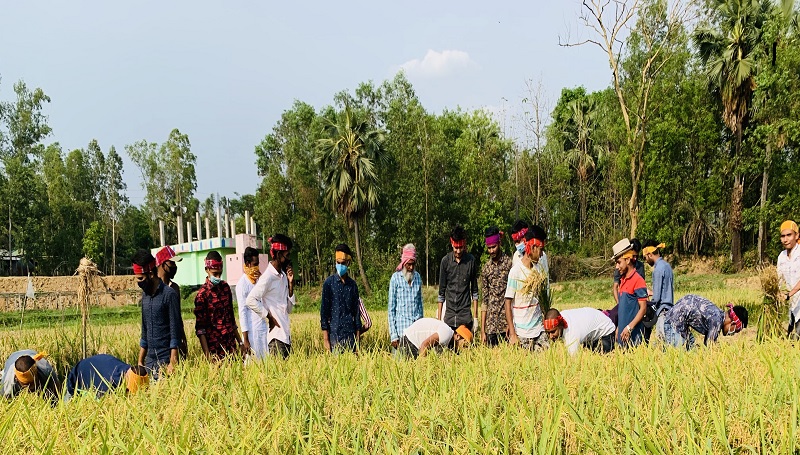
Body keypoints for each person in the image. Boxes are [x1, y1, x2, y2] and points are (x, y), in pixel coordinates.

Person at [134, 249, 183, 377]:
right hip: (149, 362)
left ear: (150, 274)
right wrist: (140, 361)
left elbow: (175, 330)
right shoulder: (145, 297)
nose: (139, 282)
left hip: (166, 361)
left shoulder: (169, 294)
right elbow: (145, 332)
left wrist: (173, 362)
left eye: (140, 278)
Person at [245, 235, 295, 359]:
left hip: (285, 336)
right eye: (287, 255)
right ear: (278, 255)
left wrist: (290, 285)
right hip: (276, 339)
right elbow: (250, 300)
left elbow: (289, 309)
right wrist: (269, 317)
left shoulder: (282, 276)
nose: (288, 259)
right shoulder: (268, 277)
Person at [504, 226, 549, 351]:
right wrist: (513, 334)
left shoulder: (538, 270)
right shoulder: (516, 272)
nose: (541, 255)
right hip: (522, 333)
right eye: (540, 250)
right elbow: (507, 303)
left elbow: (543, 298)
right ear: (533, 247)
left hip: (539, 330)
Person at [194, 250, 245, 360]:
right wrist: (208, 356)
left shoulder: (225, 287)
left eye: (219, 273)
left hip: (231, 347)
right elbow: (200, 329)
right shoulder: (202, 295)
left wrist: (240, 343)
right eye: (214, 274)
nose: (217, 277)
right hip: (215, 351)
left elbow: (231, 320)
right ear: (207, 270)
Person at [656, 294, 748, 348]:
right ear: (732, 322)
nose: (732, 333)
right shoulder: (716, 321)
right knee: (675, 350)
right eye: (735, 330)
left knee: (691, 345)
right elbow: (710, 346)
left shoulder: (717, 313)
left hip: (678, 320)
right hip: (675, 322)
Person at [321, 244, 363, 353]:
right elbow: (324, 312)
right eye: (338, 263)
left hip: (350, 337)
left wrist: (357, 340)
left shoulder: (353, 285)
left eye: (343, 263)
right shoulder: (329, 284)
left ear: (348, 263)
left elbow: (356, 313)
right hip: (334, 337)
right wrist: (326, 340)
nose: (340, 266)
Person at [437, 226, 479, 332]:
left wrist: (476, 317)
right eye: (456, 248)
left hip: (465, 317)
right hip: (449, 318)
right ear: (452, 244)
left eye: (461, 248)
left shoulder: (471, 261)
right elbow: (441, 293)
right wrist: (438, 321)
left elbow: (474, 291)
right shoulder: (445, 262)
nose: (458, 251)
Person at [611, 238, 648, 348]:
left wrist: (629, 328)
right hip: (622, 336)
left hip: (633, 337)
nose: (617, 267)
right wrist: (619, 327)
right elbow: (623, 308)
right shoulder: (622, 280)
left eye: (618, 263)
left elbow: (643, 309)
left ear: (627, 260)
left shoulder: (638, 280)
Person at [63, 354, 148, 402]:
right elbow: (101, 405)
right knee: (67, 409)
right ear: (127, 378)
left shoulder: (128, 369)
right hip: (78, 375)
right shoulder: (107, 383)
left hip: (95, 366)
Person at [480, 226, 512, 346]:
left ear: (499, 243)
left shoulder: (509, 264)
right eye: (489, 248)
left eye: (494, 247)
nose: (492, 251)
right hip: (491, 326)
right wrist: (483, 330)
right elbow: (485, 300)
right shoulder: (486, 269)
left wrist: (511, 324)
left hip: (506, 324)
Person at [154, 245, 188, 358]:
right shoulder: (153, 288)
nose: (175, 267)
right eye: (172, 263)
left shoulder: (175, 288)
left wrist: (182, 337)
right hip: (159, 342)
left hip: (174, 340)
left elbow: (177, 317)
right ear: (164, 265)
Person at [388, 244, 424, 351]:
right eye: (408, 264)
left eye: (413, 264)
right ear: (404, 263)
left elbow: (420, 306)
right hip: (401, 333)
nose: (411, 267)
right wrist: (393, 335)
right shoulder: (395, 278)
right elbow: (391, 309)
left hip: (415, 333)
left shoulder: (417, 277)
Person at [542, 308, 616, 355]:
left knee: (601, 358)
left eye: (553, 332)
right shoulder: (561, 317)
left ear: (561, 325)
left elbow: (573, 362)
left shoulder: (572, 334)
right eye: (548, 333)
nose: (550, 336)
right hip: (590, 334)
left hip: (606, 330)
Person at [237, 247, 268, 359]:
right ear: (248, 264)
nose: (257, 267)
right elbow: (242, 311)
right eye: (255, 264)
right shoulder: (242, 284)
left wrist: (262, 280)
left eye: (258, 264)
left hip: (263, 328)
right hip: (251, 332)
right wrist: (245, 339)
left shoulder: (260, 280)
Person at [397, 318, 472, 359]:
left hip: (412, 342)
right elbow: (424, 345)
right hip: (410, 342)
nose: (464, 350)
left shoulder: (448, 338)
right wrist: (423, 367)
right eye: (465, 346)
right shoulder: (446, 335)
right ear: (458, 336)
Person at [642, 240, 674, 334]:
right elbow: (664, 289)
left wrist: (648, 307)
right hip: (669, 310)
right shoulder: (666, 265)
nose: (646, 260)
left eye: (645, 257)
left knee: (662, 343)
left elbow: (656, 298)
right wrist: (651, 292)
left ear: (650, 254)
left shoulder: (658, 269)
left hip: (662, 312)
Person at [777, 220, 800, 337]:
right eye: (783, 236)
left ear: (796, 235)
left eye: (789, 235)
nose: (785, 239)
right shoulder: (781, 257)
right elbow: (780, 280)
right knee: (790, 336)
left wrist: (789, 294)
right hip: (791, 304)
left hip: (797, 299)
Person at [612, 238, 645, 306]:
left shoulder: (640, 266)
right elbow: (615, 287)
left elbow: (642, 289)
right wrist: (619, 305)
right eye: (634, 256)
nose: (635, 258)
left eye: (637, 256)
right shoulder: (620, 267)